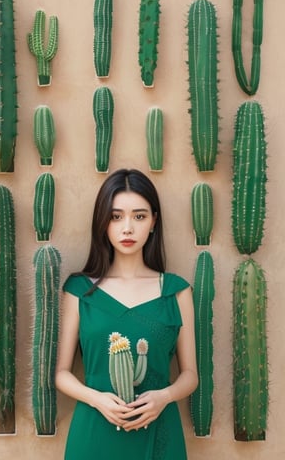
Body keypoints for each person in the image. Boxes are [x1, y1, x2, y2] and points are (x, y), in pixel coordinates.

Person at [55, 168, 198, 460]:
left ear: (154, 221)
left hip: (160, 436)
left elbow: (190, 375)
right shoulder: (79, 291)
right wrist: (97, 400)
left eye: (140, 216)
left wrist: (164, 396)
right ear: (103, 223)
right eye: (116, 216)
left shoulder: (176, 291)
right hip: (93, 434)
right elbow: (61, 374)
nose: (128, 228)